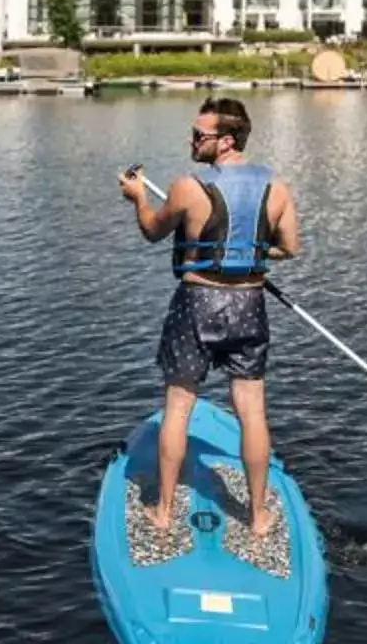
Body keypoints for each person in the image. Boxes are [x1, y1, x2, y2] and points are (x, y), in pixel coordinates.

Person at [118, 95, 301, 536]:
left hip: (197, 304)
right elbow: (288, 248)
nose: (191, 140)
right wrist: (248, 254)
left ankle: (163, 513)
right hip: (249, 306)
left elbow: (152, 231)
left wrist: (137, 196)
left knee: (178, 408)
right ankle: (258, 518)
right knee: (251, 411)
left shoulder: (185, 188)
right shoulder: (277, 188)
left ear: (226, 141)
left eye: (199, 135)